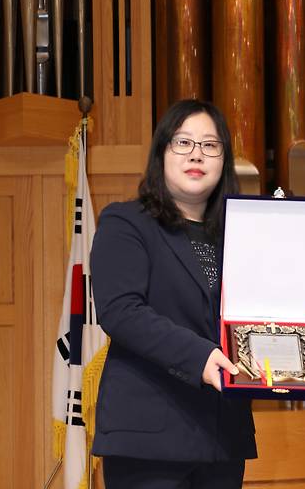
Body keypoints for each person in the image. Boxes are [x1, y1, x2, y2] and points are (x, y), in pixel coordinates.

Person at [90, 99, 256, 488]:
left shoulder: (240, 235)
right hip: (149, 436)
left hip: (222, 437)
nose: (197, 154)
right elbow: (121, 312)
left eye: (210, 145)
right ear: (161, 152)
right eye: (183, 142)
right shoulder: (125, 221)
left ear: (223, 159)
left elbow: (257, 315)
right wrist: (201, 356)